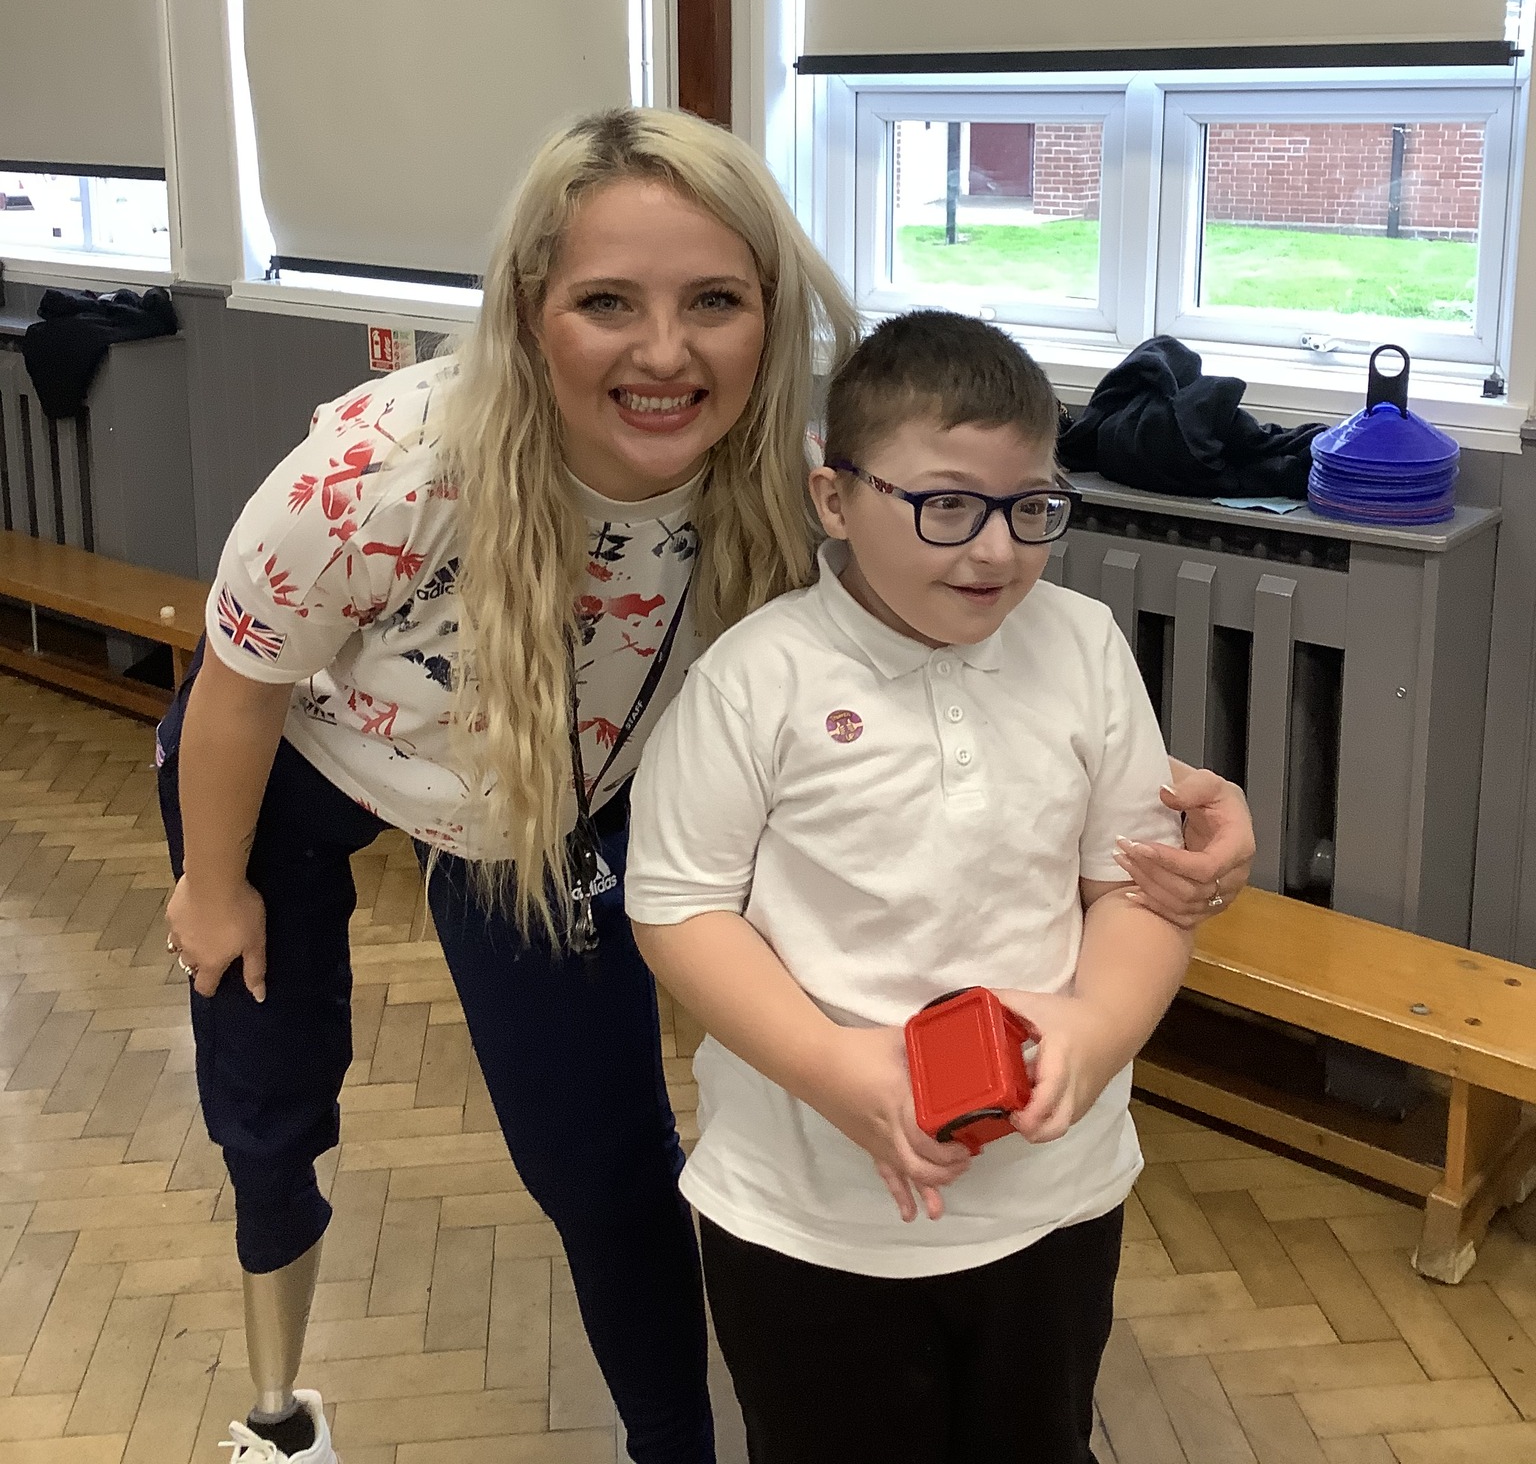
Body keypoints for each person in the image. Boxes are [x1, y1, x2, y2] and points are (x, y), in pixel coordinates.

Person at [158, 111, 1255, 1464]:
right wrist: (212, 886)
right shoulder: (381, 474)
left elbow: (971, 658)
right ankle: (277, 1415)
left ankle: (669, 1447)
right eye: (609, 302)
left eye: (715, 302)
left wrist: (1182, 815)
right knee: (268, 1087)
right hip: (300, 754)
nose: (667, 352)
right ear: (530, 308)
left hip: (536, 799)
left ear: (770, 314)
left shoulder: (788, 478)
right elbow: (239, 685)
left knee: (604, 1162)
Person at [626, 311, 1202, 1464]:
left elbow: (1138, 887)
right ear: (835, 497)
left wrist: (1100, 1026)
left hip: (1052, 1202)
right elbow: (679, 909)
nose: (995, 550)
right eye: (946, 505)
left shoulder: (1085, 644)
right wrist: (829, 1063)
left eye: (1031, 508)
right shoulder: (755, 678)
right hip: (807, 1215)